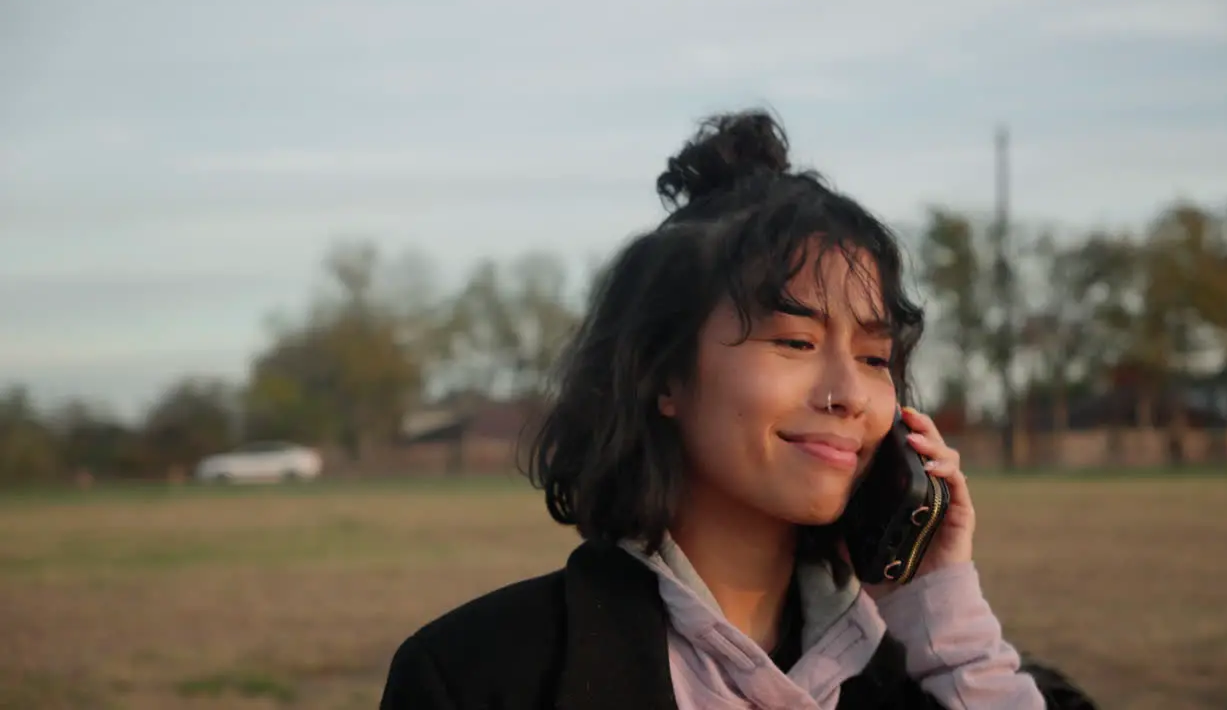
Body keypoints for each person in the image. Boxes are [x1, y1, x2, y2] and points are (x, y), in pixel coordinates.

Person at [380, 109, 1097, 710]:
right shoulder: (480, 678)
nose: (848, 393)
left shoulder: (945, 676)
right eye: (795, 340)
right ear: (664, 375)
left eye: (877, 358)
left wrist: (940, 605)